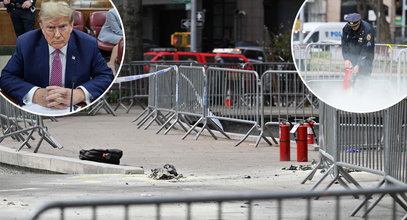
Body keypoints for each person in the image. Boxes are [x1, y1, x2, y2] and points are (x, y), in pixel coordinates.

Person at [0, 1, 113, 111]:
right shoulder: (26, 43)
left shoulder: (87, 44)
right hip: (37, 109)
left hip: (74, 109)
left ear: (72, 25)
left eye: (63, 26)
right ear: (42, 27)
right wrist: (35, 94)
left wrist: (79, 94)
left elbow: (105, 76)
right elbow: (7, 77)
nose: (57, 35)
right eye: (50, 28)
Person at [341, 13, 375, 77]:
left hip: (366, 57)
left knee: (363, 76)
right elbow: (344, 43)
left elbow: (367, 48)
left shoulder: (368, 29)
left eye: (355, 26)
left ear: (359, 22)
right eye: (352, 27)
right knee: (352, 76)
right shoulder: (347, 28)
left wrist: (359, 64)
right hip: (353, 55)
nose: (354, 28)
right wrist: (346, 58)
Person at [97, 8, 123, 75]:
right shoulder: (111, 13)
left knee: (122, 41)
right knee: (122, 41)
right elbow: (116, 30)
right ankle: (111, 62)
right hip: (108, 34)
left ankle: (113, 62)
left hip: (120, 35)